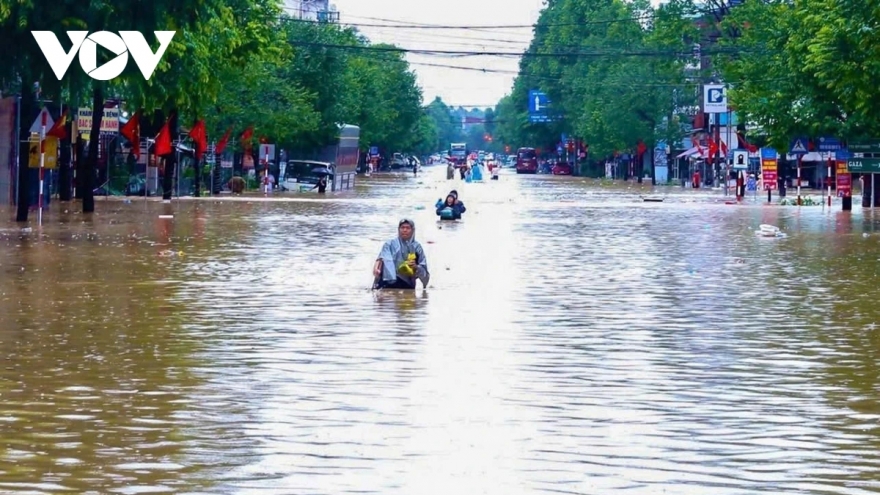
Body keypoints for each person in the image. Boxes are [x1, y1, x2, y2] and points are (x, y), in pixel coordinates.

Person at [373, 219, 430, 290]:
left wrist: (416, 267)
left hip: (406, 283)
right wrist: (376, 269)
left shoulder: (417, 247)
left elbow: (424, 271)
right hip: (385, 282)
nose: (404, 230)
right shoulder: (389, 244)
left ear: (413, 230)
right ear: (398, 229)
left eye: (408, 228)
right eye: (402, 227)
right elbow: (380, 259)